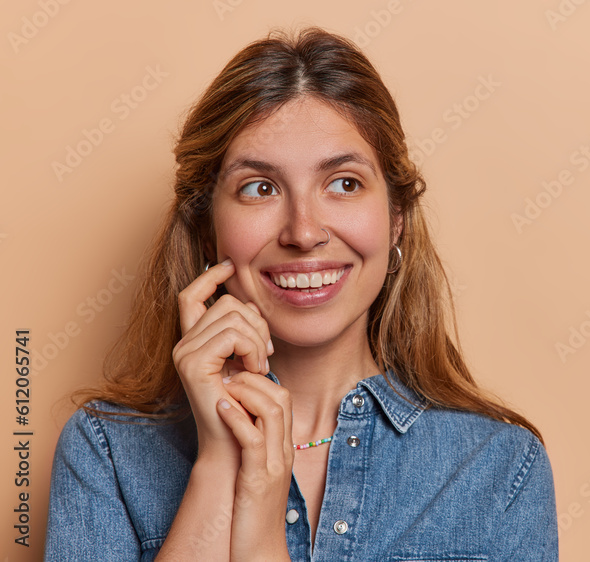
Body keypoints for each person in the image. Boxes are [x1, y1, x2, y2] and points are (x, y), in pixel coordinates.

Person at [45, 27, 557, 561]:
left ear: (396, 219)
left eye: (344, 183)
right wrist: (220, 460)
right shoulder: (106, 452)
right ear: (205, 227)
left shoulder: (498, 469)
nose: (304, 231)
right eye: (260, 188)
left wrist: (262, 528)